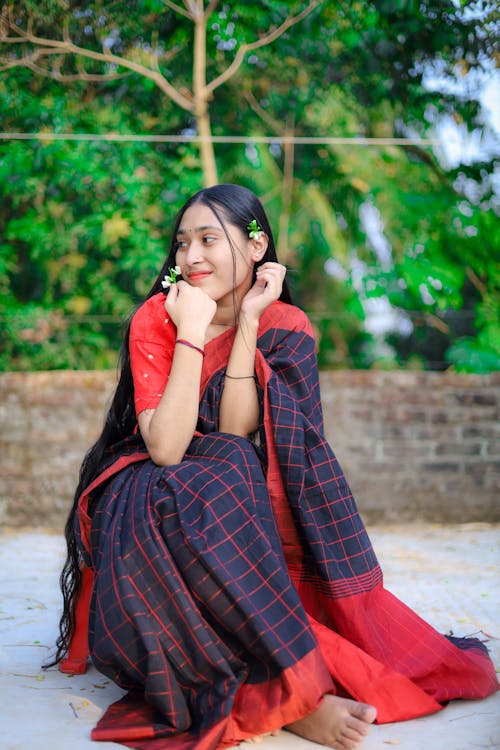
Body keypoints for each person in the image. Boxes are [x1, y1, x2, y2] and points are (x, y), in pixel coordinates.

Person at [51, 184, 498, 750]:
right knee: (196, 482)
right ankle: (282, 703)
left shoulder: (286, 324)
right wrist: (190, 328)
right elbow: (166, 446)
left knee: (229, 461)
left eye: (209, 240)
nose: (190, 257)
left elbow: (238, 434)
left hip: (230, 501)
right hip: (152, 489)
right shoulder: (157, 318)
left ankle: (279, 688)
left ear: (256, 245)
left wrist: (247, 324)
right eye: (182, 242)